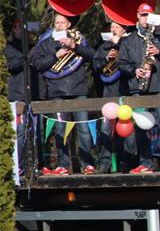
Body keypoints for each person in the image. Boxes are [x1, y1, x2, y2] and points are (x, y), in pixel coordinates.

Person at [31, 12, 95, 175]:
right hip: (57, 91)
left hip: (79, 90)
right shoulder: (46, 44)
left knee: (83, 128)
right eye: (57, 22)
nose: (59, 25)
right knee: (60, 130)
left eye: (62, 22)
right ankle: (63, 165)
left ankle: (87, 163)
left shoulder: (78, 40)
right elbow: (38, 64)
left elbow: (93, 56)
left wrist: (75, 47)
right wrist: (56, 55)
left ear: (68, 25)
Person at [117, 3, 160, 173]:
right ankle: (146, 162)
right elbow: (121, 64)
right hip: (138, 88)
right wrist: (134, 70)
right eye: (143, 15)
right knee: (142, 127)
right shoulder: (128, 40)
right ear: (137, 15)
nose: (146, 19)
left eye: (148, 15)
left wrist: (159, 52)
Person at [93, 20, 134, 173]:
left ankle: (128, 161)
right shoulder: (104, 46)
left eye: (117, 27)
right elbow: (95, 66)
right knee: (106, 128)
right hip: (108, 92)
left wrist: (119, 45)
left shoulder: (129, 43)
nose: (114, 30)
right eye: (112, 27)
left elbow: (133, 62)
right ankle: (105, 163)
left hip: (125, 90)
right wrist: (106, 58)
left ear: (124, 30)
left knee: (127, 129)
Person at [4, 18, 39, 175]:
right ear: (14, 29)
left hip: (34, 95)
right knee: (20, 132)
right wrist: (27, 55)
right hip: (18, 95)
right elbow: (11, 65)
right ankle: (19, 165)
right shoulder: (9, 48)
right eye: (19, 27)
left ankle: (36, 164)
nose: (23, 31)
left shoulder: (34, 47)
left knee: (35, 132)